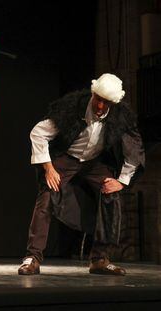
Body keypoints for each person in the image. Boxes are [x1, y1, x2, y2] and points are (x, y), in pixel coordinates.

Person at [18, 73, 145, 276]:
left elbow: (133, 151)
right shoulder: (73, 108)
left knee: (110, 194)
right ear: (93, 93)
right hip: (68, 157)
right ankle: (32, 257)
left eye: (106, 102)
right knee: (47, 195)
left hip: (95, 162)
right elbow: (38, 133)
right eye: (98, 99)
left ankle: (99, 259)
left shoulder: (120, 117)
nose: (100, 106)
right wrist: (49, 167)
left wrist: (121, 182)